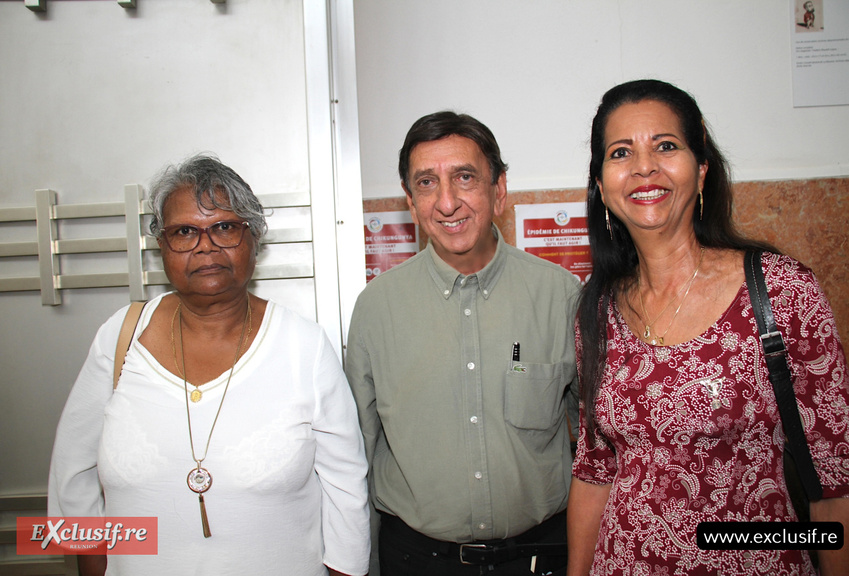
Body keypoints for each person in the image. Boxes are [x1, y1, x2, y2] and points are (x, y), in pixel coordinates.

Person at [568, 79, 849, 575]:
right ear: (600, 184)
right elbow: (595, 470)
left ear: (701, 171)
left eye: (666, 146)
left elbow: (834, 477)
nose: (644, 166)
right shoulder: (597, 310)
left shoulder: (780, 292)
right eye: (620, 152)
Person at [48, 154, 370, 576]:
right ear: (161, 246)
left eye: (224, 227)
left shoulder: (303, 346)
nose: (205, 245)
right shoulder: (120, 337)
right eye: (184, 231)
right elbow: (72, 473)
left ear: (253, 237)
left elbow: (346, 488)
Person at [346, 111, 580, 575]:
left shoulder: (563, 297)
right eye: (427, 183)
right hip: (417, 561)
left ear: (499, 189)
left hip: (541, 558)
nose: (447, 202)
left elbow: (597, 445)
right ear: (410, 202)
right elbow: (359, 454)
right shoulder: (375, 309)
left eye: (465, 177)